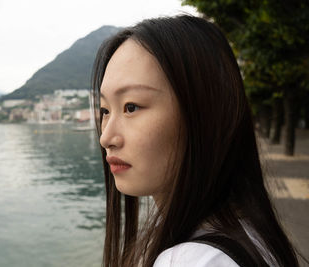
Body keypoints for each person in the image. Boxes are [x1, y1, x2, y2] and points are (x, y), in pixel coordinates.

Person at [91, 15, 300, 267]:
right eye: (105, 111)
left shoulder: (193, 261)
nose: (106, 138)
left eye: (131, 107)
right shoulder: (243, 229)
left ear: (205, 114)